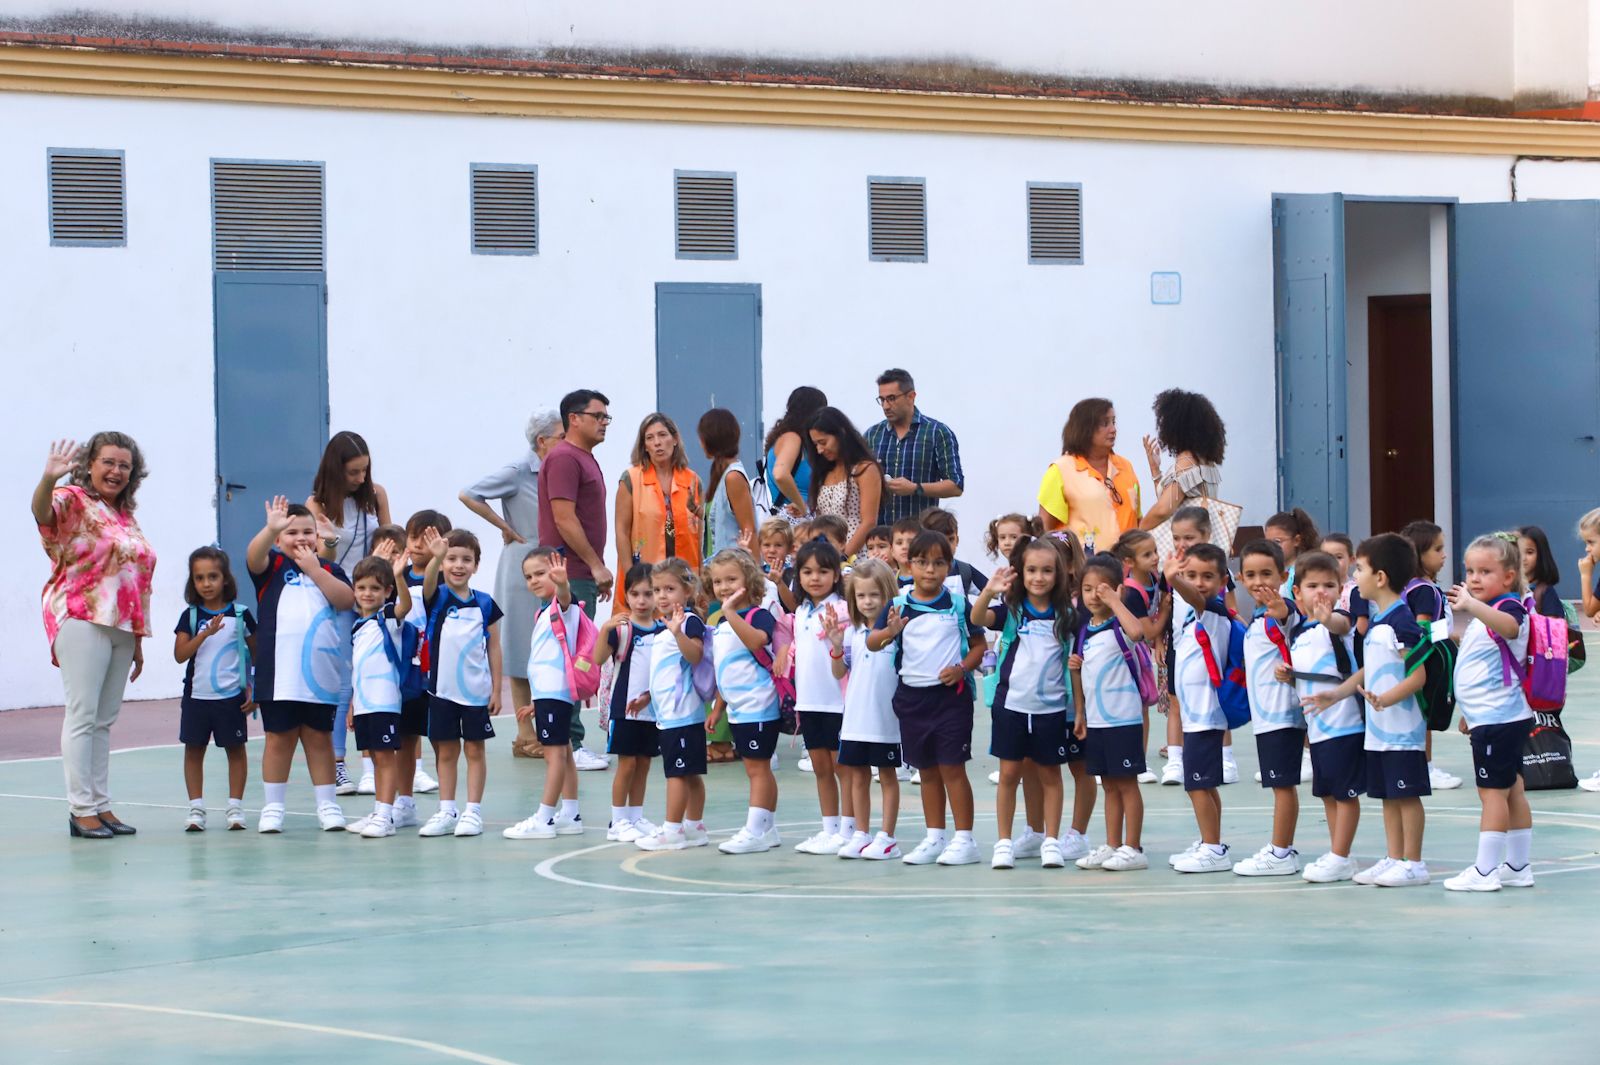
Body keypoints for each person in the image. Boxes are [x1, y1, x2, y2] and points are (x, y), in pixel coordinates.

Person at [35, 435, 157, 839]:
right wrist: (47, 479)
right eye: (108, 462)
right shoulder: (71, 499)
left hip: (121, 625)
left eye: (124, 465)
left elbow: (135, 580)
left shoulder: (124, 516)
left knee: (104, 720)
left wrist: (138, 638)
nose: (116, 471)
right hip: (81, 615)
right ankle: (81, 809)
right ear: (89, 465)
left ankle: (101, 805)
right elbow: (42, 514)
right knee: (83, 715)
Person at [1304, 533, 1433, 888]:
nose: (1354, 575)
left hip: (1401, 729)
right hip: (1379, 730)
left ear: (1380, 578)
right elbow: (1368, 670)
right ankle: (1395, 857)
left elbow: (1418, 674)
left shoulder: (1402, 621)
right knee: (1388, 795)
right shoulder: (1380, 620)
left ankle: (1415, 863)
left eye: (1359, 568)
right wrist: (1339, 694)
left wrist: (1386, 699)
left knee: (1406, 795)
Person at [871, 529, 987, 866]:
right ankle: (935, 837)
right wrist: (888, 633)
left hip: (951, 699)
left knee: (952, 768)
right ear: (909, 563)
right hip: (911, 699)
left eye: (938, 563)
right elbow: (872, 642)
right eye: (922, 562)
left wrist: (962, 667)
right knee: (927, 769)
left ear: (949, 565)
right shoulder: (898, 605)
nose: (930, 570)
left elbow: (979, 645)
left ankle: (965, 840)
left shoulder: (959, 605)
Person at [460, 409, 564, 760]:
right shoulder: (519, 472)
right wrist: (503, 527)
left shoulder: (560, 470)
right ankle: (524, 732)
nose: (565, 443)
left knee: (550, 644)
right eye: (561, 437)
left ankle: (543, 725)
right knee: (522, 647)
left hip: (551, 563)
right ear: (542, 440)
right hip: (523, 565)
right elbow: (469, 493)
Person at [246, 497, 354, 834]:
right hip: (279, 677)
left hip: (320, 678)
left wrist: (315, 569)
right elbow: (253, 556)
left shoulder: (329, 570)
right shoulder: (272, 569)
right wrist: (271, 528)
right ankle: (273, 807)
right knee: (278, 740)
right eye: (291, 532)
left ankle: (328, 804)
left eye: (308, 531)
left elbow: (345, 599)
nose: (302, 538)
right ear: (279, 540)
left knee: (320, 740)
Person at [972, 535, 1078, 870]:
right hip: (1011, 707)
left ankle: (1050, 840)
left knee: (1051, 776)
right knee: (1009, 774)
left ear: (1058, 575)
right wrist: (989, 591)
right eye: (1032, 570)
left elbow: (1074, 663)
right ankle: (1004, 842)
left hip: (1050, 710)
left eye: (1047, 570)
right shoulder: (1012, 611)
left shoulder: (1067, 615)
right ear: (1021, 572)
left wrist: (1081, 712)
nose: (1039, 577)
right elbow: (977, 619)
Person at [1443, 533, 1537, 891]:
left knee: (1492, 793)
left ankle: (1485, 871)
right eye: (1470, 571)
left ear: (1509, 576)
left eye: (1485, 571)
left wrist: (1470, 604)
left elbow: (1511, 627)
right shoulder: (1489, 612)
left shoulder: (1509, 607)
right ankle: (1517, 866)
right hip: (1496, 717)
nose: (1475, 578)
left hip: (1500, 719)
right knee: (1511, 789)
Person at [1280, 552, 1365, 883]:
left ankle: (1341, 855)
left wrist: (1328, 617)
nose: (1321, 592)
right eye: (1312, 586)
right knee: (1328, 792)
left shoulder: (1339, 624)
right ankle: (1337, 852)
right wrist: (1289, 676)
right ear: (1297, 593)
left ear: (1341, 588)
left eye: (1329, 585)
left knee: (1345, 794)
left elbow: (1340, 623)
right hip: (1318, 729)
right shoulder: (1301, 634)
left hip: (1345, 723)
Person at [540, 389, 613, 764]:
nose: (604, 422)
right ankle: (570, 744)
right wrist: (595, 564)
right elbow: (563, 518)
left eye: (606, 417)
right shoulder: (566, 458)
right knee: (567, 656)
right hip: (567, 573)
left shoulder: (583, 458)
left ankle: (570, 742)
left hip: (579, 572)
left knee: (577, 652)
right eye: (598, 415)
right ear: (574, 418)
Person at [416, 529, 503, 838]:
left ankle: (473, 812)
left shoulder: (485, 603)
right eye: (451, 558)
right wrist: (436, 556)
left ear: (476, 566)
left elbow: (494, 646)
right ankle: (446, 810)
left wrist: (495, 688)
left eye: (466, 559)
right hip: (442, 692)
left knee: (475, 751)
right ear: (441, 563)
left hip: (476, 695)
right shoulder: (436, 596)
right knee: (446, 752)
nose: (458, 565)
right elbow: (427, 582)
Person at [1070, 554, 1152, 872]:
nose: (1094, 596)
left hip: (1124, 719)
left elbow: (1138, 633)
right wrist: (1080, 713)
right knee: (1108, 784)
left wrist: (1115, 601)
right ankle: (1112, 843)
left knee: (1127, 783)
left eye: (1101, 589)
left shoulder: (1120, 624)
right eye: (1088, 589)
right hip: (1098, 720)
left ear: (1116, 590)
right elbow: (1083, 679)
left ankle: (1134, 847)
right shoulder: (1084, 631)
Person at [1232, 539, 1307, 877]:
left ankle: (1281, 852)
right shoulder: (1256, 617)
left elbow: (1288, 614)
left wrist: (1281, 608)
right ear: (1240, 578)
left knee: (1282, 785)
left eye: (1267, 573)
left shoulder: (1281, 611)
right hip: (1266, 717)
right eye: (1251, 574)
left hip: (1282, 714)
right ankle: (1280, 847)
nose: (1259, 581)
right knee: (1279, 785)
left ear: (1284, 574)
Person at [505, 548, 590, 840]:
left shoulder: (563, 607)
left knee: (553, 756)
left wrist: (563, 583)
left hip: (555, 694)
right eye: (528, 576)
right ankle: (571, 813)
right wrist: (535, 702)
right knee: (564, 752)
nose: (534, 580)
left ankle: (544, 818)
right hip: (550, 695)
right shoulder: (543, 612)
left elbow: (566, 596)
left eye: (540, 573)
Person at [704, 548, 784, 855]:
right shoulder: (724, 624)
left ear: (748, 581)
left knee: (757, 769)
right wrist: (718, 708)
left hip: (759, 705)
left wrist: (732, 613)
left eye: (731, 580)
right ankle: (768, 828)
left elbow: (757, 641)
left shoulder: (757, 615)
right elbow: (727, 669)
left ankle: (754, 830)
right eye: (718, 582)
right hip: (739, 709)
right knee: (758, 768)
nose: (724, 587)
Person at [826, 559, 903, 859]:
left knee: (886, 775)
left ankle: (888, 836)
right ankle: (861, 832)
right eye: (861, 596)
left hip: (885, 719)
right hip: (855, 718)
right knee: (857, 775)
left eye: (875, 595)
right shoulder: (852, 632)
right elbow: (839, 672)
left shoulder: (896, 632)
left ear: (888, 596)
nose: (868, 602)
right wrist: (834, 646)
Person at [1164, 542, 1235, 873]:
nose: (1199, 582)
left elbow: (1195, 597)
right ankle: (1211, 840)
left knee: (1197, 784)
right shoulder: (1192, 614)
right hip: (1195, 714)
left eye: (1207, 576)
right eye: (1191, 574)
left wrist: (1176, 580)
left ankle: (1213, 848)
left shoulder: (1213, 611)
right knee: (1204, 784)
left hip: (1206, 715)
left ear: (1222, 581)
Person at [174, 546, 255, 832]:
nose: (206, 584)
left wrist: (253, 690)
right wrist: (205, 633)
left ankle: (235, 807)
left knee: (235, 750)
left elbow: (257, 656)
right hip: (196, 699)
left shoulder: (241, 615)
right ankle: (196, 808)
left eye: (212, 576)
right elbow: (181, 654)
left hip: (231, 700)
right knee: (194, 750)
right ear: (192, 582)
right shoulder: (191, 616)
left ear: (225, 579)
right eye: (199, 578)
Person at [633, 559, 712, 851]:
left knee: (677, 773)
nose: (662, 596)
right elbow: (666, 671)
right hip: (669, 714)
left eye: (670, 588)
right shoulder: (664, 627)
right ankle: (695, 827)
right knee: (688, 772)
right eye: (657, 590)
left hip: (683, 714)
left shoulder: (688, 621)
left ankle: (673, 830)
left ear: (687, 590)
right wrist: (648, 696)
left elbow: (694, 656)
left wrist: (678, 633)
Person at [340, 553, 414, 839]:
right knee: (374, 757)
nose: (367, 593)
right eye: (361, 588)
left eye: (374, 588)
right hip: (364, 705)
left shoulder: (388, 617)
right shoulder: (358, 626)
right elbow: (358, 672)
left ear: (387, 592)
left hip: (385, 702)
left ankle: (385, 816)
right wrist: (352, 705)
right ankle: (379, 811)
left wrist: (398, 576)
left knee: (385, 758)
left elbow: (404, 606)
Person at [789, 539, 853, 854]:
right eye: (807, 571)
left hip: (838, 702)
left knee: (843, 767)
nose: (815, 578)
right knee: (821, 768)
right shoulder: (801, 611)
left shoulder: (841, 609)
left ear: (836, 575)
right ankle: (830, 829)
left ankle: (850, 828)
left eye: (823, 571)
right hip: (809, 702)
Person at [592, 562, 663, 843]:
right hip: (623, 710)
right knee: (627, 764)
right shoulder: (620, 629)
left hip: (652, 711)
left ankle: (636, 816)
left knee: (644, 763)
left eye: (649, 593)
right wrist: (604, 629)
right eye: (635, 594)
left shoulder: (662, 630)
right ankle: (618, 820)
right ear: (627, 595)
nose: (642, 600)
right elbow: (597, 659)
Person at [1400, 519, 1463, 792]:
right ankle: (1424, 767)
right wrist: (1447, 637)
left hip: (1413, 658)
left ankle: (1418, 765)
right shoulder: (1424, 590)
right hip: (1423, 661)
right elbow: (1421, 628)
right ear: (1418, 554)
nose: (1444, 554)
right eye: (1438, 549)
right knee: (1423, 713)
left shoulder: (1410, 586)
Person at [615, 412, 703, 601]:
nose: (657, 442)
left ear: (675, 439)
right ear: (644, 446)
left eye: (663, 435)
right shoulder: (631, 479)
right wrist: (632, 576)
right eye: (650, 438)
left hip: (684, 574)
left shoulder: (692, 480)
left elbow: (701, 533)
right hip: (645, 572)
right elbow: (621, 531)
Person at [1036, 398, 1141, 551]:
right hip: (1083, 570)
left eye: (1113, 422)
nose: (1113, 429)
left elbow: (1138, 520)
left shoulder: (1126, 466)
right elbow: (1044, 530)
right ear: (1085, 428)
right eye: (1105, 423)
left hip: (1128, 569)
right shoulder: (1060, 469)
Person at [865, 369, 964, 527]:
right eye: (881, 400)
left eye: (891, 399)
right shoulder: (872, 435)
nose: (885, 406)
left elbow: (956, 486)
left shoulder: (937, 432)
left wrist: (915, 488)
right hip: (881, 538)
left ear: (911, 396)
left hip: (920, 537)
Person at [1111, 528, 1164, 784]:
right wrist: (1165, 612)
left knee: (1142, 705)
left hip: (1140, 652)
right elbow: (1147, 632)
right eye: (1147, 554)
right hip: (1126, 653)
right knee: (1128, 707)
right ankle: (1120, 760)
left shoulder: (1155, 578)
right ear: (1130, 562)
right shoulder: (1132, 592)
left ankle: (1139, 760)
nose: (1155, 557)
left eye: (1155, 551)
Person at [1140, 389, 1226, 532]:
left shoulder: (1187, 461)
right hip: (1201, 542)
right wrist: (1155, 470)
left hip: (1186, 546)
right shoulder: (1205, 460)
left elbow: (1162, 510)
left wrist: (1136, 533)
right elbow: (1172, 501)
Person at [805, 406, 884, 558]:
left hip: (857, 554)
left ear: (841, 433)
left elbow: (868, 522)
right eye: (816, 445)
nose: (820, 450)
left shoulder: (864, 469)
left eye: (823, 442)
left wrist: (844, 557)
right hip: (826, 555)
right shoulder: (823, 473)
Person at [699, 408, 758, 558]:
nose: (700, 444)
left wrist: (757, 577)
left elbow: (748, 530)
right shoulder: (721, 474)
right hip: (719, 569)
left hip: (736, 569)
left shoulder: (733, 477)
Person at [764, 386, 828, 520]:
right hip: (791, 520)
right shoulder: (792, 438)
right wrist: (803, 508)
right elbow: (780, 474)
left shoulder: (789, 437)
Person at [1265, 509, 1320, 595]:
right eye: (1268, 542)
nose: (1271, 547)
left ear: (1296, 540)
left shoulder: (1301, 572)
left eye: (1277, 541)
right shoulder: (1272, 570)